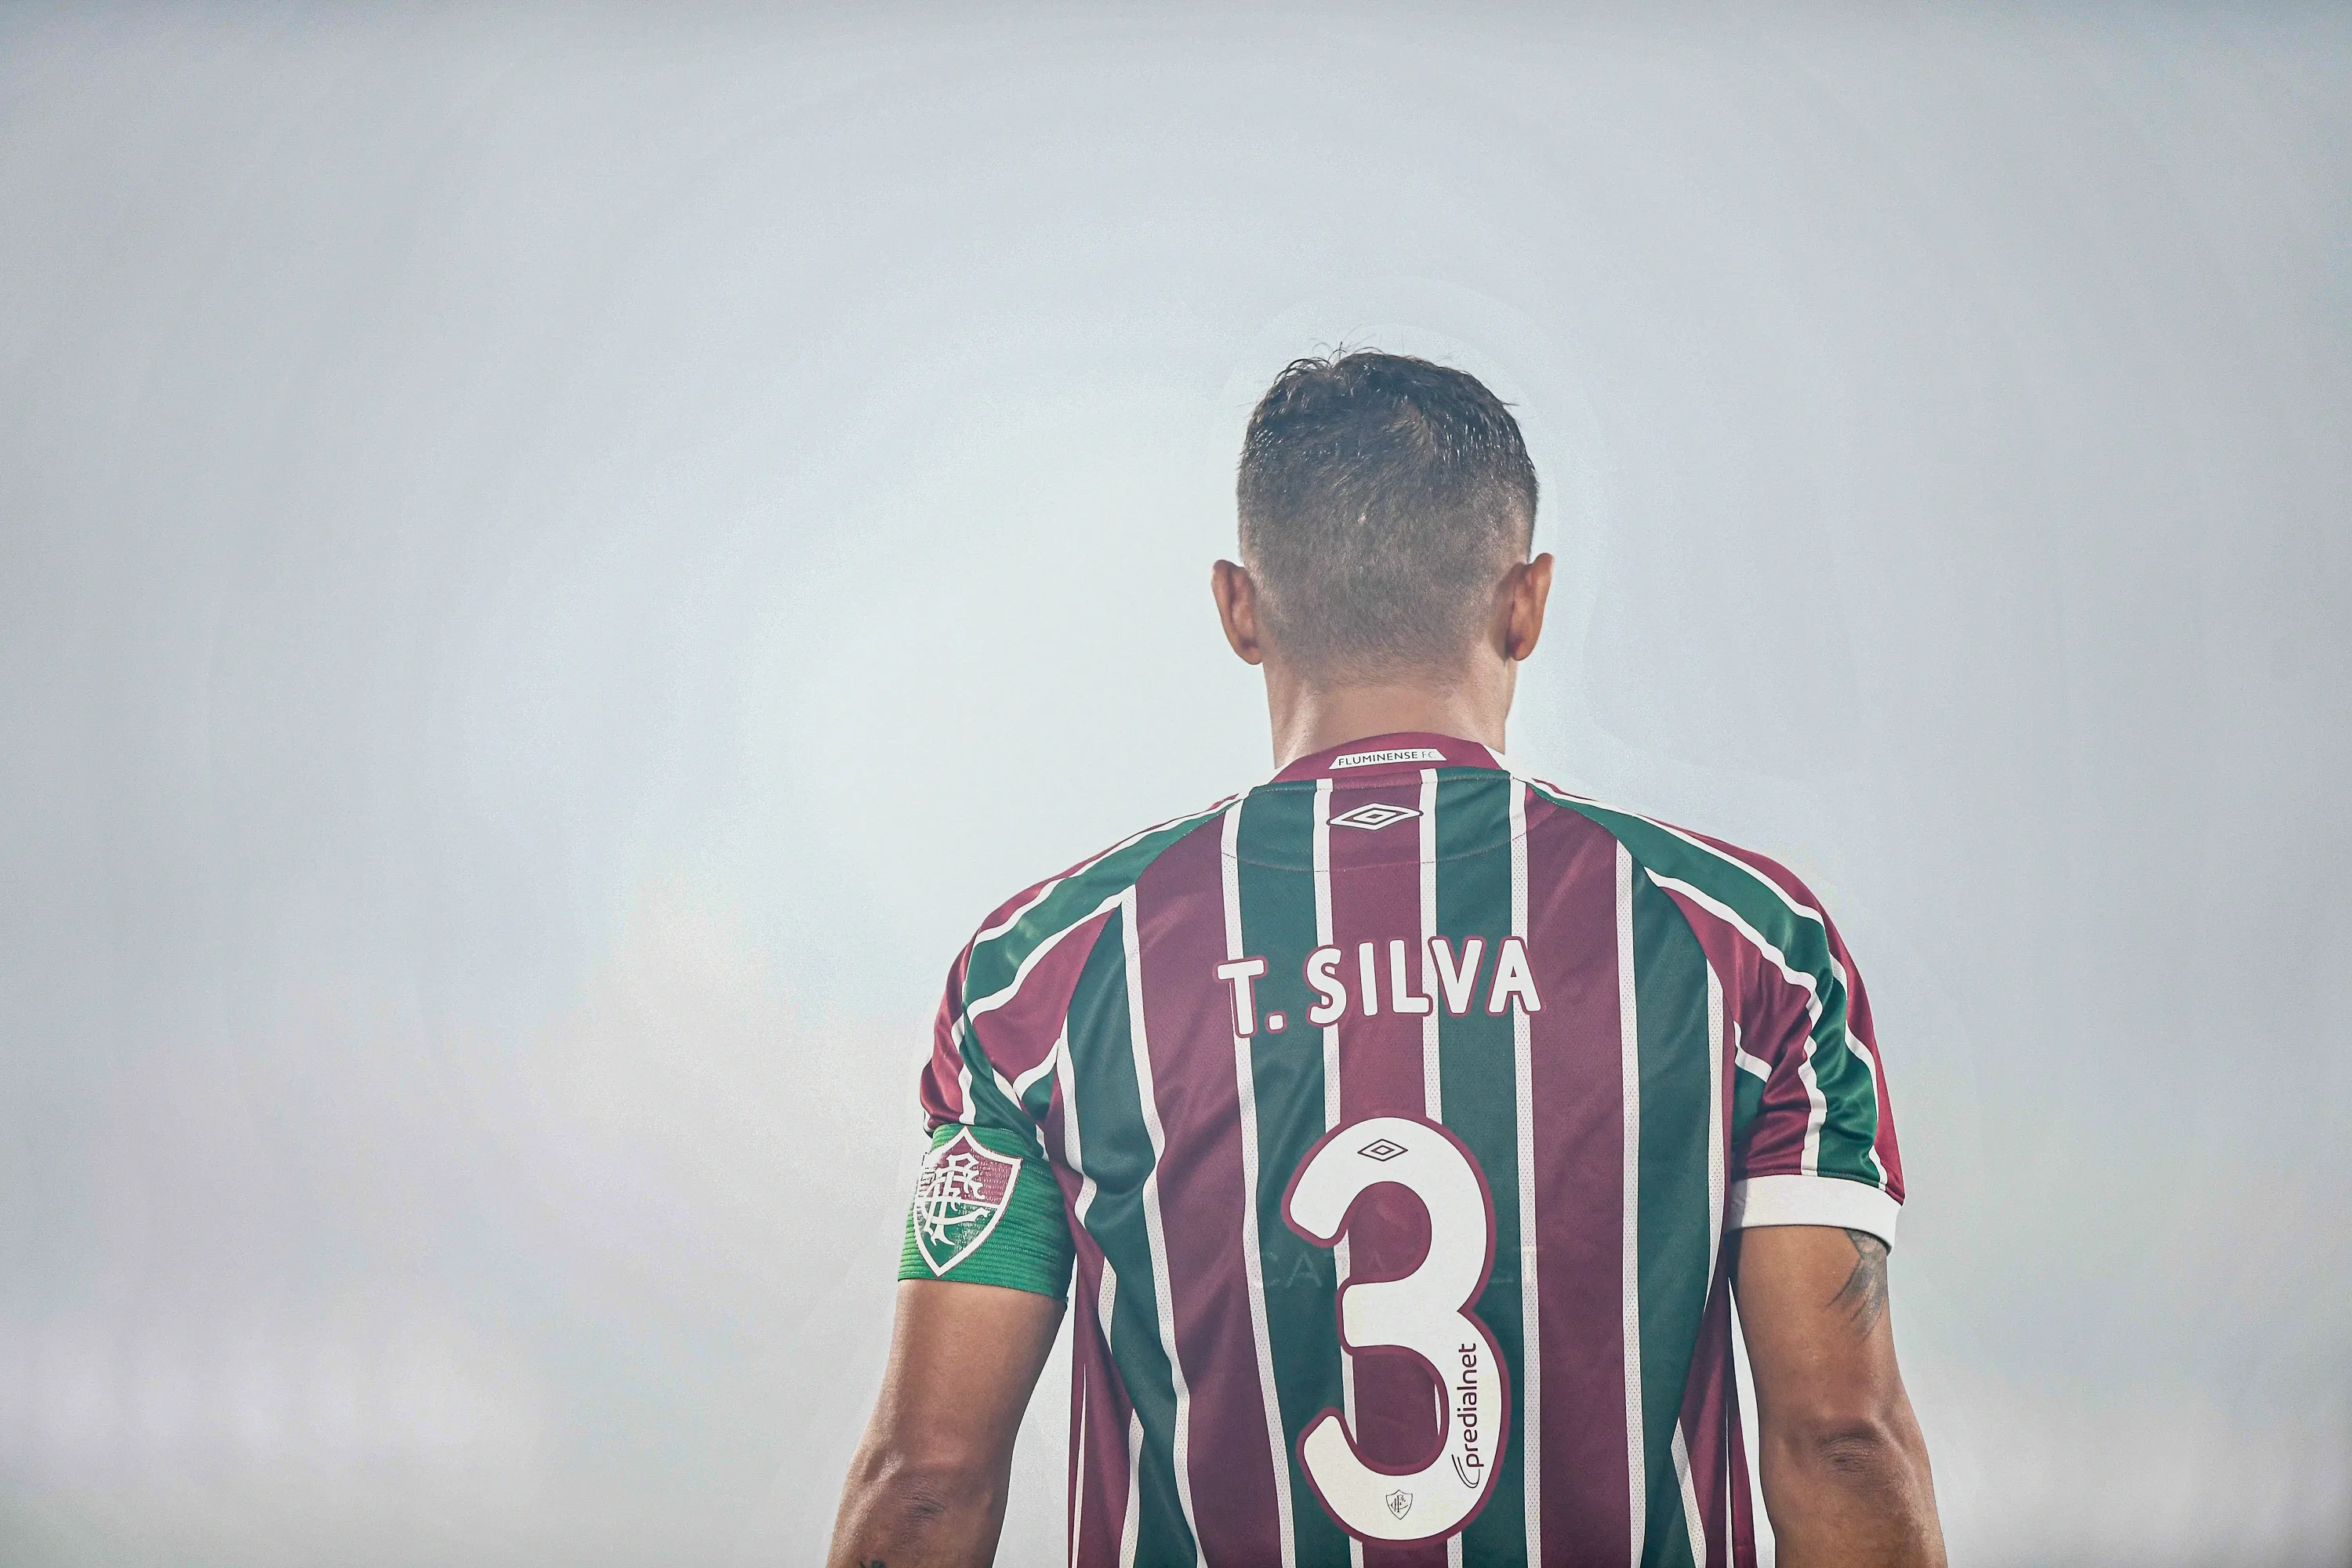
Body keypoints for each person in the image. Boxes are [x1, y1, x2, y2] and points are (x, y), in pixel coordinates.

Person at [826, 351, 1945, 1567]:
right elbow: (1842, 1440)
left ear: (1239, 608)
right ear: (1527, 602)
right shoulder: (1747, 949)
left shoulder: (1036, 979)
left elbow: (929, 1480)